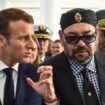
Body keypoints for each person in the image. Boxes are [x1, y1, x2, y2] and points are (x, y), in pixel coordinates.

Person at [27, 8, 105, 105]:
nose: (81, 44)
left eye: (88, 37)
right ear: (61, 36)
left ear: (97, 34)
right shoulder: (44, 74)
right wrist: (51, 101)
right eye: (72, 38)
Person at [0, 8, 55, 105]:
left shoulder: (38, 75)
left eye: (32, 38)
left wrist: (50, 100)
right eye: (23, 38)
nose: (33, 45)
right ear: (1, 40)